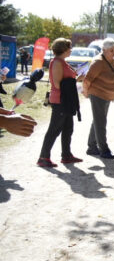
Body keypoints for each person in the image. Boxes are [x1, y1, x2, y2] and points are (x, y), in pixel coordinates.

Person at [37, 38, 83, 167]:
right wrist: (75, 80)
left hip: (66, 99)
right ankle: (43, 157)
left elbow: (67, 80)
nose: (71, 49)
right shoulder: (57, 62)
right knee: (54, 129)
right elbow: (57, 84)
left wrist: (78, 78)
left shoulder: (63, 62)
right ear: (64, 49)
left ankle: (66, 155)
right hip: (60, 100)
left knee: (68, 128)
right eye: (69, 47)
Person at [83, 37, 114, 159]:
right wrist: (85, 92)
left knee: (98, 120)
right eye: (111, 50)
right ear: (104, 49)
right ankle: (104, 150)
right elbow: (87, 79)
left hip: (107, 95)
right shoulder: (98, 62)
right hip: (98, 94)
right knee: (101, 122)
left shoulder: (112, 61)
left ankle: (92, 147)